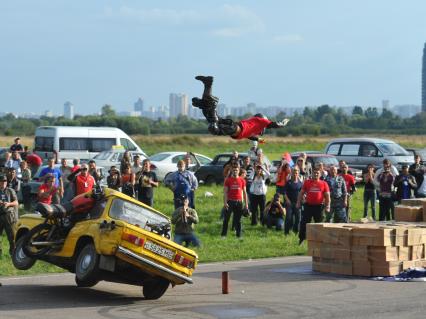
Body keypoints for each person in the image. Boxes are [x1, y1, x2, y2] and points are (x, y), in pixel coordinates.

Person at [192, 75, 289, 142]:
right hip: (235, 128)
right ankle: (212, 103)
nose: (260, 133)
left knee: (209, 115)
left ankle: (207, 85)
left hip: (232, 126)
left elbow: (250, 137)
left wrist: (259, 140)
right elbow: (273, 125)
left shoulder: (252, 130)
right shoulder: (261, 121)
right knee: (214, 127)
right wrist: (283, 123)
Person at [297, 167, 330, 244]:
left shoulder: (324, 183)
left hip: (319, 207)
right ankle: (302, 239)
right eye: (314, 173)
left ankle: (320, 241)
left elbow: (327, 196)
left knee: (319, 224)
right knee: (304, 223)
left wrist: (328, 206)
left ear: (320, 174)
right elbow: (301, 193)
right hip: (308, 206)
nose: (315, 174)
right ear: (312, 174)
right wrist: (298, 202)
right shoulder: (307, 182)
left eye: (317, 173)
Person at [222, 166, 248, 239]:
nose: (235, 171)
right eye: (234, 170)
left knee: (238, 220)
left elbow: (245, 192)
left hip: (239, 202)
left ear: (239, 171)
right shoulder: (228, 180)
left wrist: (246, 204)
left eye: (236, 170)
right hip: (230, 201)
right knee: (226, 219)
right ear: (231, 171)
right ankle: (223, 235)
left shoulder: (242, 180)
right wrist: (225, 202)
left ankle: (238, 235)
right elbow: (225, 192)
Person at [0, 174, 18, 255]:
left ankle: (13, 254)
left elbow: (16, 202)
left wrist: (9, 203)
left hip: (9, 216)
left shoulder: (10, 190)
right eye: (2, 181)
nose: (3, 183)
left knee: (12, 237)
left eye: (5, 181)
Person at [283, 167, 303, 235]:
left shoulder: (300, 183)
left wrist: (300, 201)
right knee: (288, 218)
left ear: (298, 174)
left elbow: (302, 193)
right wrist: (287, 200)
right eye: (294, 172)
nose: (295, 173)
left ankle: (296, 231)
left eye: (296, 172)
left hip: (297, 203)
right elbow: (284, 193)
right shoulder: (288, 183)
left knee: (298, 218)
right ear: (291, 173)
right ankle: (286, 232)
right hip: (289, 204)